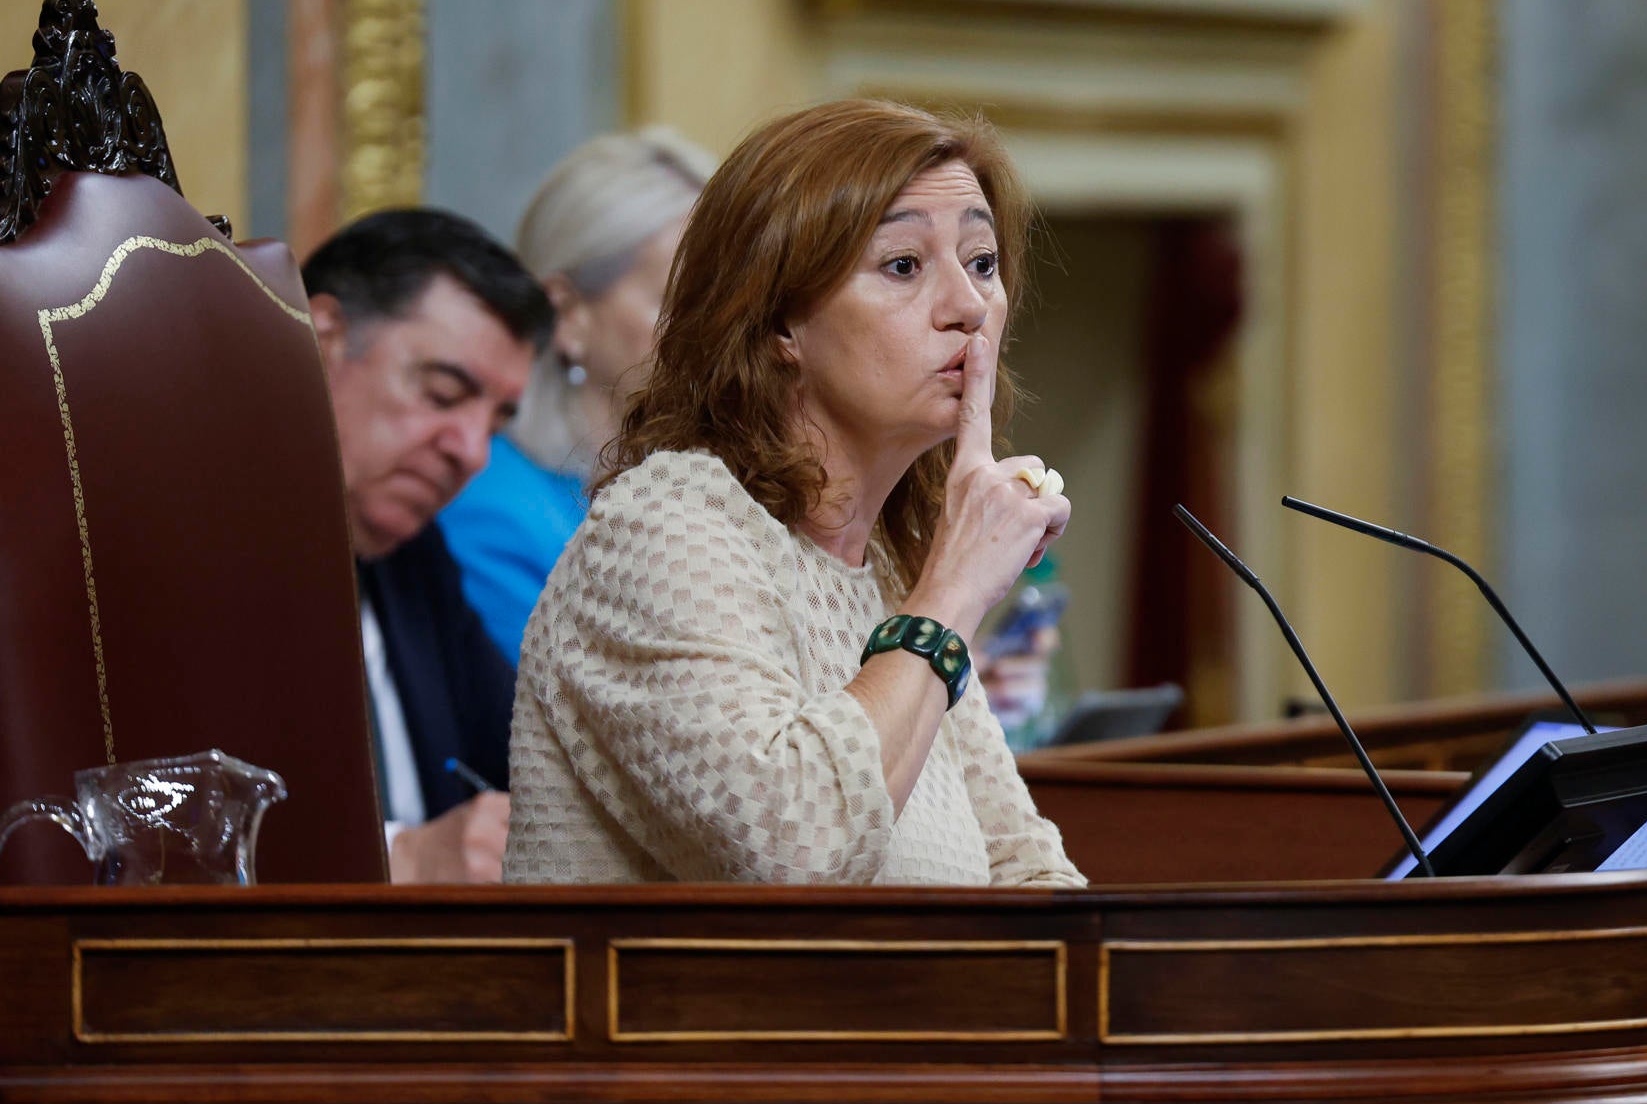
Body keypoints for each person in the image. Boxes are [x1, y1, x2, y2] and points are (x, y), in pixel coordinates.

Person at [504, 98, 1085, 887]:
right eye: (904, 266)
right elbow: (794, 858)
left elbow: (1026, 868)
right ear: (780, 321)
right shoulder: (663, 529)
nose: (969, 307)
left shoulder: (880, 570)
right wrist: (952, 593)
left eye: (982, 262)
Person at [303, 208, 554, 883]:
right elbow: (155, 824)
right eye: (444, 393)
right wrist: (400, 861)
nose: (472, 453)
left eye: (496, 422)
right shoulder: (179, 551)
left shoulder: (418, 561)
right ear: (322, 340)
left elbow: (530, 765)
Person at [439, 129, 714, 664]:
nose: (714, 329)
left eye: (725, 299)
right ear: (566, 314)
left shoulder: (712, 490)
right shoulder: (490, 510)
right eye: (679, 299)